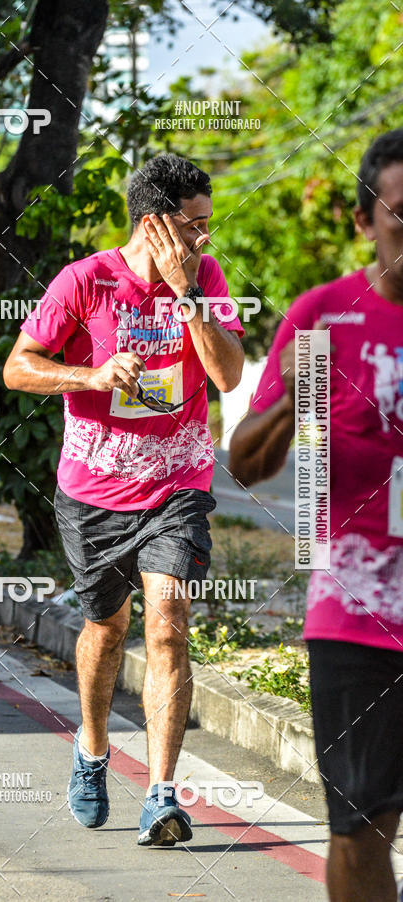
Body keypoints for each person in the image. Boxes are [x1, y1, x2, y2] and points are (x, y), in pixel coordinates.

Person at [4, 154, 244, 846]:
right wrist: (92, 372)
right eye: (195, 225)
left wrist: (187, 290)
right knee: (107, 631)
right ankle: (93, 748)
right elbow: (20, 366)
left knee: (168, 621)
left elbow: (228, 376)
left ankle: (163, 794)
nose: (206, 237)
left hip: (178, 484)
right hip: (94, 492)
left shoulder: (206, 278)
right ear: (155, 221)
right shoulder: (85, 281)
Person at [228, 129, 403, 902]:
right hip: (357, 615)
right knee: (360, 826)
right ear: (366, 221)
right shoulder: (323, 314)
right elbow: (246, 462)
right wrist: (296, 399)